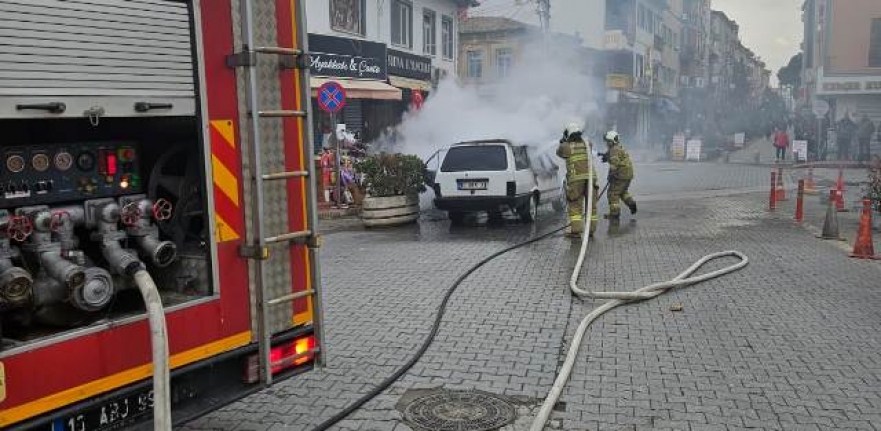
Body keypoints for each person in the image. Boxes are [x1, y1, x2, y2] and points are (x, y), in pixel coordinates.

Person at [557, 123, 599, 238]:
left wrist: (562, 141)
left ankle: (575, 231)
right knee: (591, 205)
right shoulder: (587, 143)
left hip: (576, 180)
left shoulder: (566, 146)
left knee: (575, 204)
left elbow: (559, 153)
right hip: (591, 178)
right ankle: (591, 230)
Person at [601, 131, 637, 223]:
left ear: (612, 141)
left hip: (620, 175)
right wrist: (606, 156)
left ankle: (614, 214)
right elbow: (614, 157)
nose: (606, 143)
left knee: (612, 193)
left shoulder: (614, 150)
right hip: (627, 174)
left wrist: (611, 175)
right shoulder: (618, 148)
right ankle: (631, 203)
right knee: (622, 191)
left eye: (608, 141)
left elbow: (614, 164)